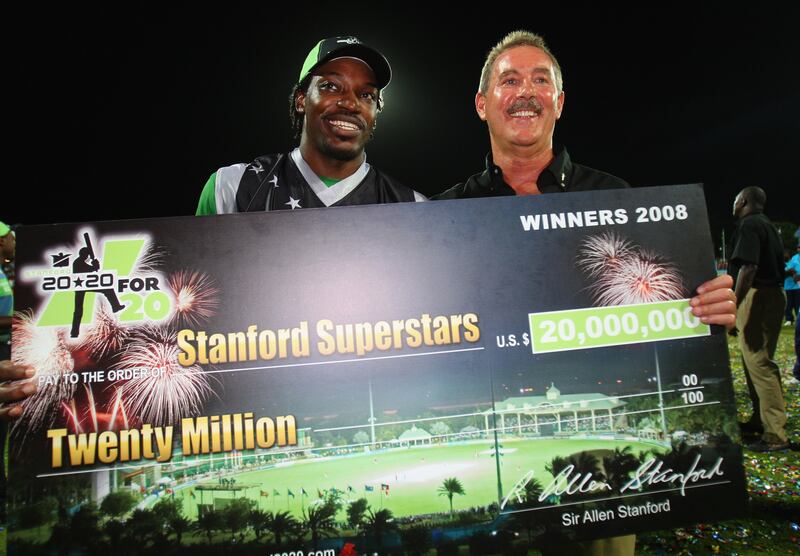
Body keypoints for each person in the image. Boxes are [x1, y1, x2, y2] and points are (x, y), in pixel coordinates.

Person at [432, 30, 737, 556]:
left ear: (560, 101)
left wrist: (705, 308)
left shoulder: (617, 198)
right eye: (509, 80)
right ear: (483, 104)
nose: (525, 91)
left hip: (597, 505)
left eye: (540, 80)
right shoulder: (440, 215)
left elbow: (660, 317)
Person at [196, 36, 424, 215]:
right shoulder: (232, 187)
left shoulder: (413, 206)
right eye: (331, 86)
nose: (351, 104)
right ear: (301, 99)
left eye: (366, 95)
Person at [729, 187, 788, 451]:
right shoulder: (767, 225)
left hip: (759, 296)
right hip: (772, 294)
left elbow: (748, 267)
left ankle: (775, 434)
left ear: (742, 201)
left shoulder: (750, 224)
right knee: (753, 362)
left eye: (735, 201)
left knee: (760, 363)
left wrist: (734, 303)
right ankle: (760, 420)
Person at [784, 246, 800, 326]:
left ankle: (798, 319)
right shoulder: (782, 264)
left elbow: (797, 273)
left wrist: (794, 273)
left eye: (786, 254)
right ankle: (789, 319)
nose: (785, 255)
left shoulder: (794, 262)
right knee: (788, 304)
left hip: (797, 287)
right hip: (787, 287)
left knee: (798, 304)